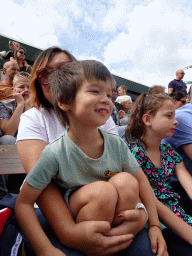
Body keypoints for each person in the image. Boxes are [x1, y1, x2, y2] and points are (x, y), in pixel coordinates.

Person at [15, 46, 158, 256]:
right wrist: (46, 249)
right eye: (94, 91)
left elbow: (141, 181)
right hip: (70, 212)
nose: (106, 100)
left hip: (114, 213)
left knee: (127, 180)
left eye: (109, 94)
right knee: (104, 191)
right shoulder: (54, 149)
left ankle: (116, 239)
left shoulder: (114, 142)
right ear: (63, 100)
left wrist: (151, 221)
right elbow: (24, 202)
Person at [124, 93, 192, 253]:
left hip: (175, 212)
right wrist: (188, 233)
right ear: (147, 119)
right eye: (169, 116)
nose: (175, 121)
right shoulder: (133, 154)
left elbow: (188, 182)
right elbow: (150, 199)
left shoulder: (168, 152)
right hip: (153, 218)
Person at [0, 72, 30, 201]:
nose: (26, 90)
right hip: (12, 149)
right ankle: (2, 195)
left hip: (31, 148)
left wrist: (28, 106)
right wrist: (20, 105)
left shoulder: (38, 108)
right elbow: (9, 132)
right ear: (13, 89)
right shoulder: (4, 104)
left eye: (29, 87)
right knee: (7, 140)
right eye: (22, 87)